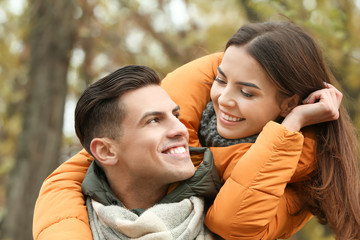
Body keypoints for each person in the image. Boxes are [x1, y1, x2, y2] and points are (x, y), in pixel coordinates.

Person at [32, 20, 359, 240]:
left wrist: (291, 127)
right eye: (221, 79)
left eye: (247, 93)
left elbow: (232, 222)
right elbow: (77, 169)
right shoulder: (183, 108)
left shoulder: (300, 178)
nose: (225, 100)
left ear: (288, 104)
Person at [69, 64, 222, 239]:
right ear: (106, 151)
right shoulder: (71, 228)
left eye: (176, 115)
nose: (181, 129)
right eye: (154, 120)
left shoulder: (229, 218)